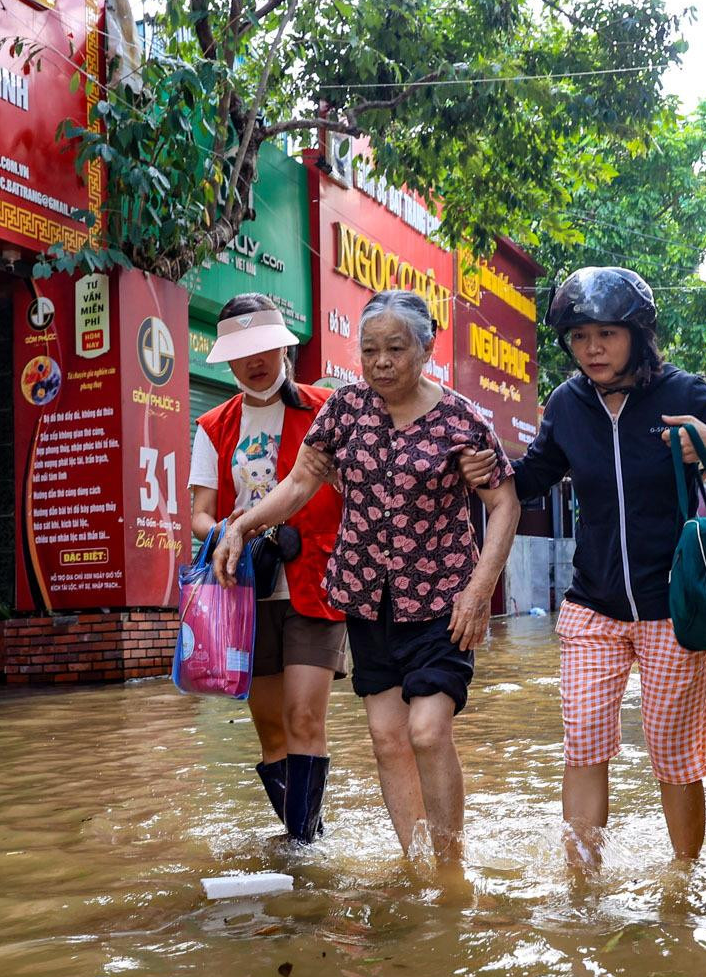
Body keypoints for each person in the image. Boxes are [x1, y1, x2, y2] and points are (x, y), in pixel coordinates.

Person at [460, 266, 706, 863]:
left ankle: (684, 885)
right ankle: (581, 885)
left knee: (675, 756)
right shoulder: (567, 405)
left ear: (637, 335)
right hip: (591, 607)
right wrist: (487, 475)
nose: (591, 349)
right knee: (585, 744)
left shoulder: (683, 393)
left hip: (674, 611)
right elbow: (530, 479)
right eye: (578, 336)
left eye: (605, 334)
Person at [214, 290, 520, 865]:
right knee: (386, 739)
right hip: (366, 599)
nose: (381, 362)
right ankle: (415, 865)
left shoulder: (461, 420)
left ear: (426, 347)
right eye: (371, 349)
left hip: (441, 601)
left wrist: (480, 591)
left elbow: (505, 503)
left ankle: (451, 867)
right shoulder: (345, 410)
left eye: (396, 348)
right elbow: (301, 482)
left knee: (426, 730)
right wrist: (243, 528)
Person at [188, 294, 346, 842]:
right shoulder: (212, 425)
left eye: (264, 348)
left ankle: (302, 847)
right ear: (228, 362)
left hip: (315, 583)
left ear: (284, 347)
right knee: (272, 731)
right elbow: (199, 517)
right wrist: (233, 533)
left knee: (305, 719)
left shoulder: (327, 409)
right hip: (246, 594)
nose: (255, 361)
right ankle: (309, 836)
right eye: (242, 352)